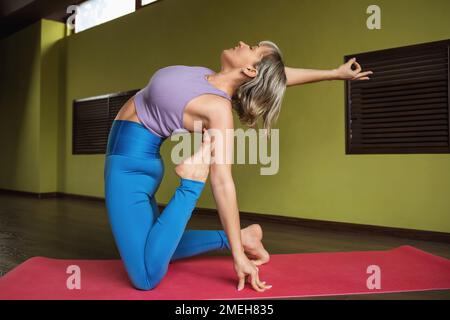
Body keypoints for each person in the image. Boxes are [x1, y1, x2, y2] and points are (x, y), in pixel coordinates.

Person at [104, 40, 373, 292]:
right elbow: (277, 76)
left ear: (248, 68)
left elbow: (223, 182)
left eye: (253, 48)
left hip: (131, 170)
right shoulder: (204, 76)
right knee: (153, 245)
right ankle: (244, 237)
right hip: (135, 161)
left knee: (146, 277)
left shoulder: (217, 110)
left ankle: (191, 184)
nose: (243, 43)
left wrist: (237, 256)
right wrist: (334, 73)